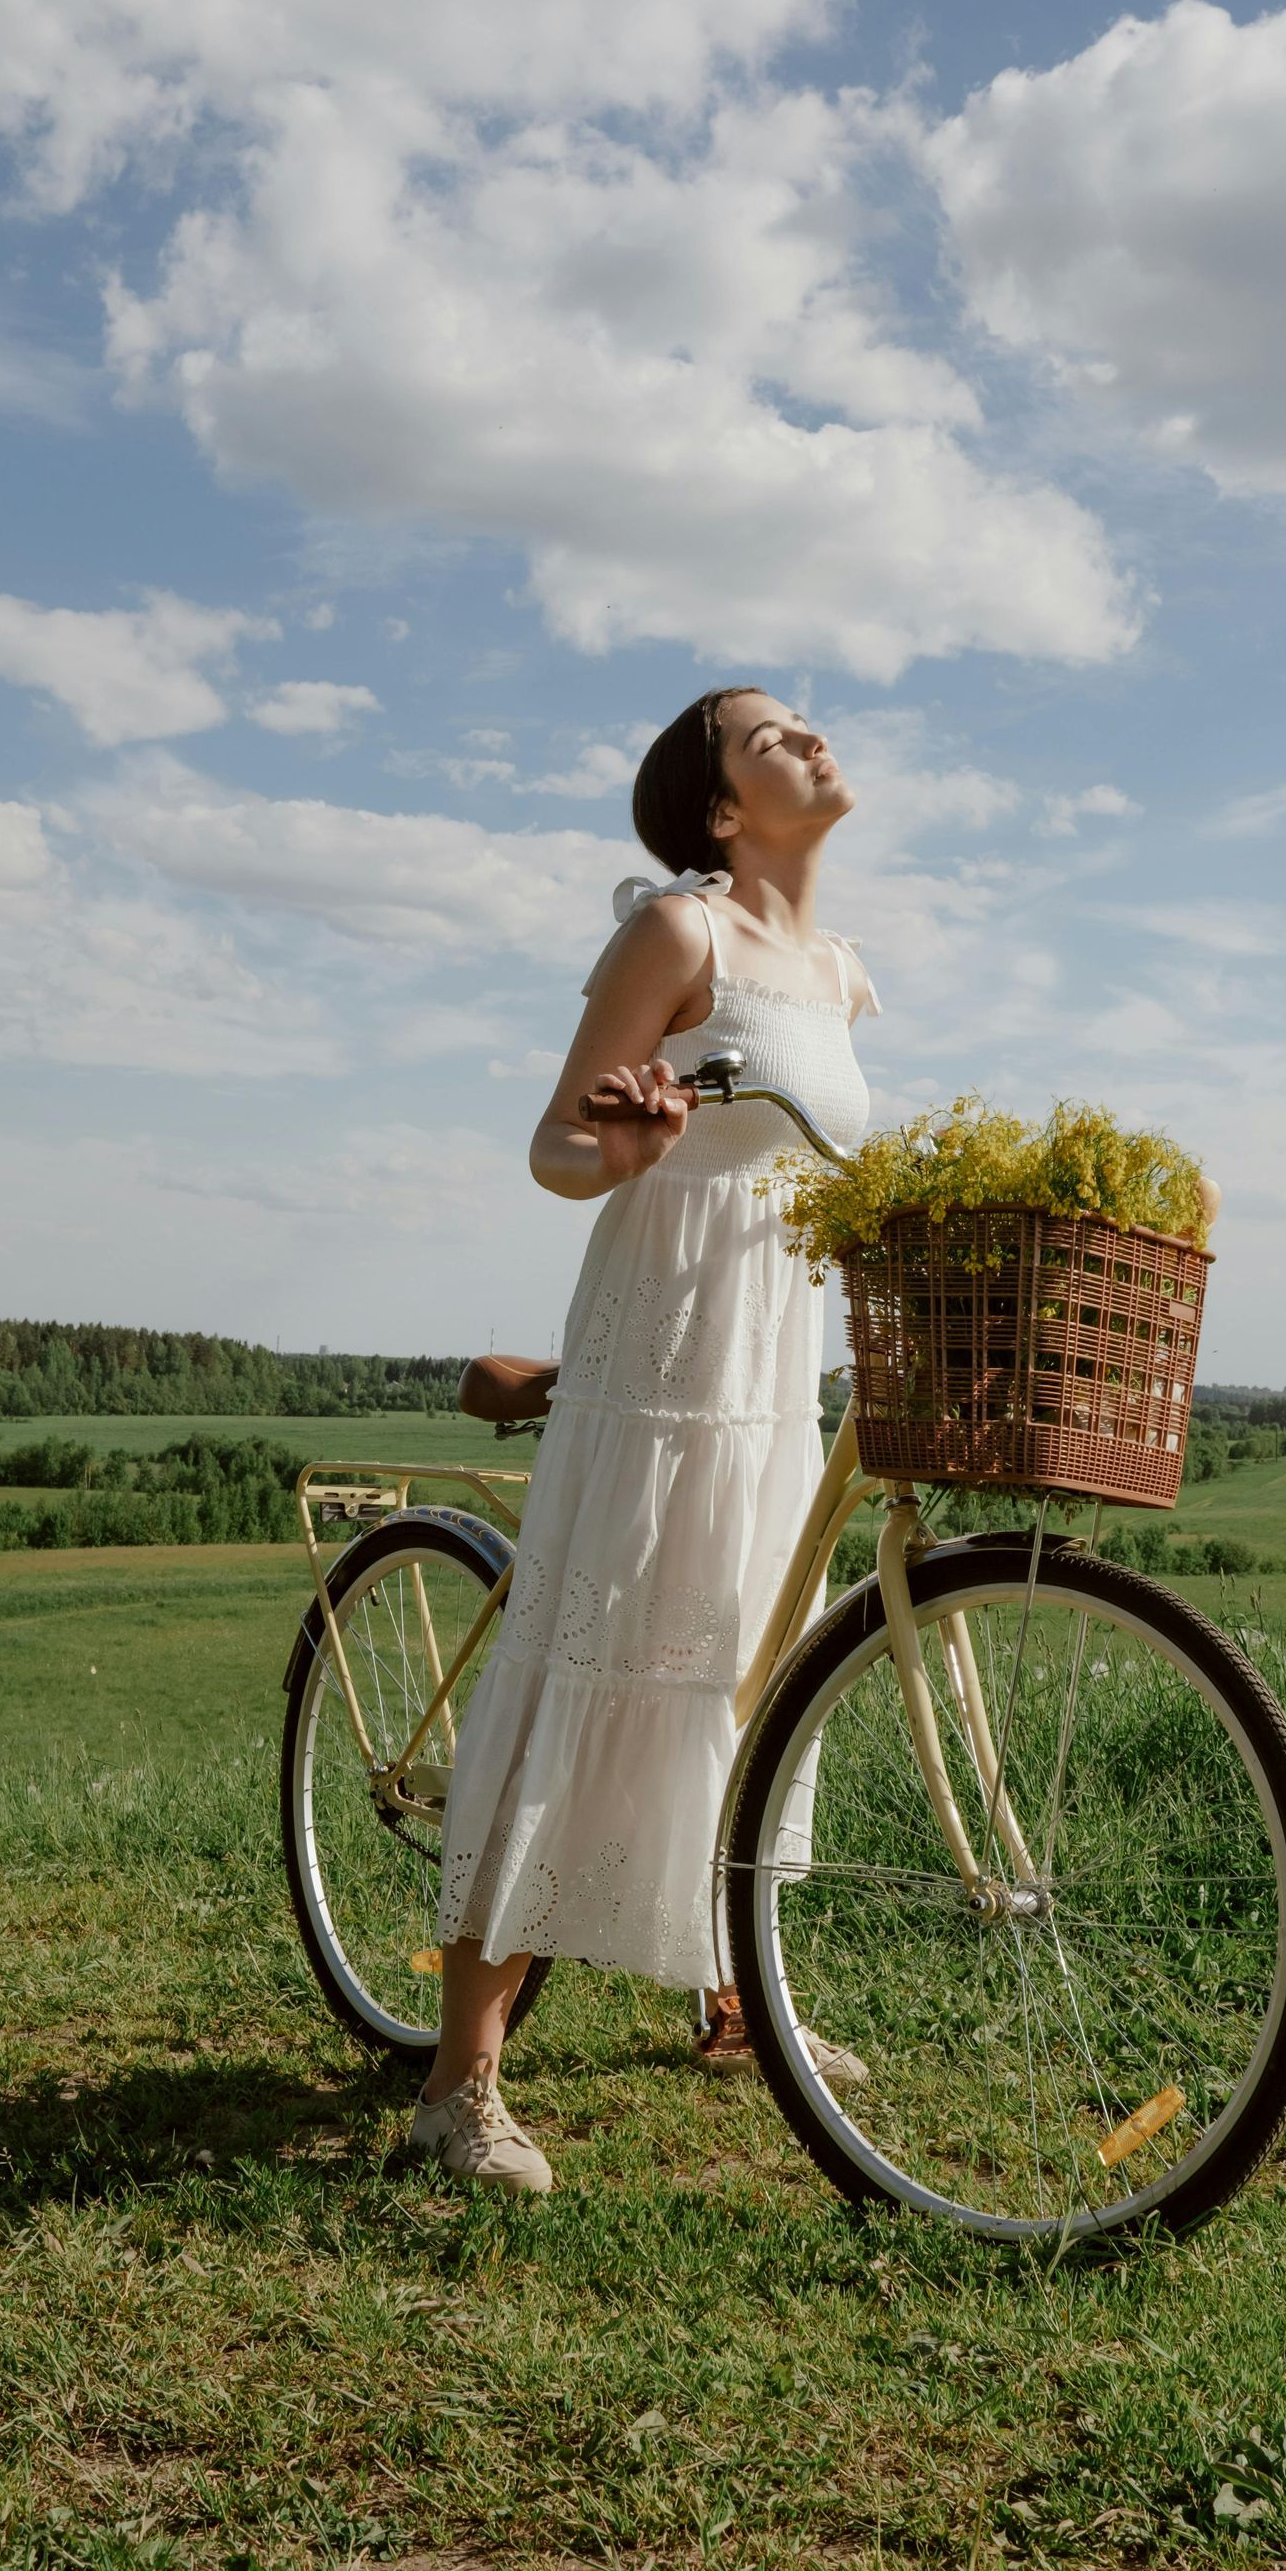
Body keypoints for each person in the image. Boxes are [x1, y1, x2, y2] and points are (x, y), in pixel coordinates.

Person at [404, 684, 879, 2191]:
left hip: (769, 1378)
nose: (809, 736)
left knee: (740, 1677)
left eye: (808, 720)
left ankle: (730, 1994)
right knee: (588, 1666)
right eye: (767, 735)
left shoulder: (844, 977)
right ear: (722, 808)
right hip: (663, 1357)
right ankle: (458, 2086)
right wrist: (615, 1146)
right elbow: (555, 1144)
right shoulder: (682, 934)